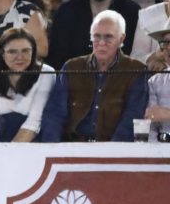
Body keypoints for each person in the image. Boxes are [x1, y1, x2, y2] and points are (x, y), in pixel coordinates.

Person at [38, 10, 148, 142]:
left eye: (108, 37)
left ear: (121, 39)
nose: (101, 43)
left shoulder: (136, 70)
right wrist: (52, 149)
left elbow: (132, 118)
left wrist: (112, 153)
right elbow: (55, 114)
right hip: (73, 147)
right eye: (96, 36)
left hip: (113, 149)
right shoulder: (72, 67)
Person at [0, 27, 54, 141]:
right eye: (12, 52)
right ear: (2, 54)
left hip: (30, 142)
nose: (19, 57)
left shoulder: (46, 73)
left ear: (33, 51)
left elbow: (36, 120)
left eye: (25, 51)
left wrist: (11, 154)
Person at [46, 0, 139, 70]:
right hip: (73, 82)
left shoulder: (132, 11)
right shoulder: (66, 10)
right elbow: (56, 57)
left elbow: (133, 56)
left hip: (119, 83)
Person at [143, 26, 170, 141]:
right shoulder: (155, 81)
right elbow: (151, 123)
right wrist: (151, 153)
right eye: (165, 43)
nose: (168, 47)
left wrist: (167, 114)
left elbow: (160, 114)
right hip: (161, 148)